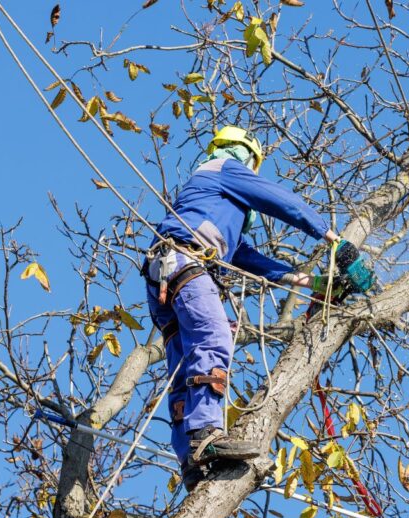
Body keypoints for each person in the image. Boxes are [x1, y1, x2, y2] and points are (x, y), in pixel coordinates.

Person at [142, 126, 372, 490]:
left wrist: (313, 283)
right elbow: (280, 200)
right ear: (245, 155)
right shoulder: (224, 169)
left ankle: (190, 458)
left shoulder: (217, 209)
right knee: (214, 336)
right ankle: (205, 433)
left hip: (166, 279)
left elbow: (251, 260)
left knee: (185, 364)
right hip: (185, 265)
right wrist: (335, 241)